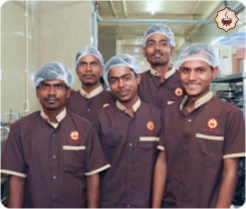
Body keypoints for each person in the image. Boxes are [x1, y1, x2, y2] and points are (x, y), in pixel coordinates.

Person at [0, 62, 110, 209]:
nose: (51, 92)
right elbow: (17, 180)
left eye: (58, 86)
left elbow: (92, 177)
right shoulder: (20, 129)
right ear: (37, 92)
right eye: (45, 86)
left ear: (68, 91)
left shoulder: (85, 128)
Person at [152, 43, 246, 209]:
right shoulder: (170, 112)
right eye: (186, 70)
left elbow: (230, 172)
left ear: (214, 72)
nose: (192, 77)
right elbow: (162, 163)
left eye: (200, 70)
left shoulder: (230, 114)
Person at [92, 54, 166, 209]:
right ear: (108, 83)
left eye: (126, 78)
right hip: (110, 203)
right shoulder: (100, 119)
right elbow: (93, 170)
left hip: (146, 203)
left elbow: (164, 164)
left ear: (137, 78)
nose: (121, 85)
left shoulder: (158, 117)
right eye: (114, 80)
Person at [138, 24, 184, 109]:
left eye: (163, 44)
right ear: (144, 52)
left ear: (172, 50)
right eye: (151, 44)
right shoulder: (138, 81)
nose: (157, 48)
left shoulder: (184, 79)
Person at [67, 46, 114, 121]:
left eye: (93, 64)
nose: (88, 69)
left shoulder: (113, 99)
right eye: (83, 64)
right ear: (76, 70)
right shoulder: (68, 101)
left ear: (101, 69)